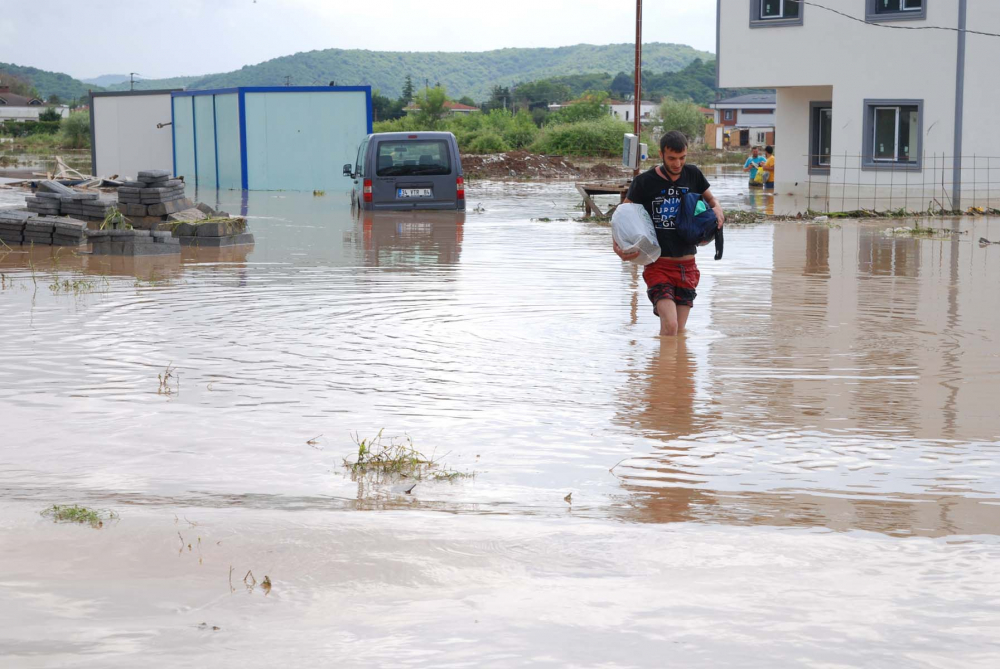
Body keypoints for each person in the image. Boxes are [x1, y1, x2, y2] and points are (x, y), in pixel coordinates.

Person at [613, 130, 725, 336]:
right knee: (671, 326)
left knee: (677, 331)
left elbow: (711, 200)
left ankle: (667, 367)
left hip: (688, 267)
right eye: (672, 158)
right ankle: (664, 365)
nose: (677, 164)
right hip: (658, 265)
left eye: (682, 158)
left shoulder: (693, 175)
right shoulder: (644, 182)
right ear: (661, 154)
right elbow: (622, 216)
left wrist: (717, 208)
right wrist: (617, 246)